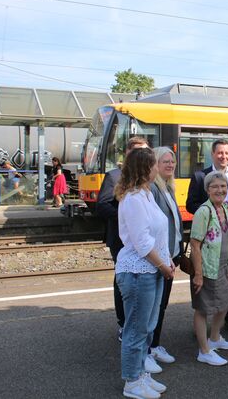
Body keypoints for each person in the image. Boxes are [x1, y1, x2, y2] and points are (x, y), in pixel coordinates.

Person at [114, 147, 173, 398]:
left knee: (147, 327)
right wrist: (163, 266)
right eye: (153, 165)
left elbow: (159, 234)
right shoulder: (134, 199)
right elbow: (142, 242)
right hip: (139, 272)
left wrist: (166, 263)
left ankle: (140, 374)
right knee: (136, 330)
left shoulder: (146, 194)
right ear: (144, 168)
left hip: (152, 271)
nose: (157, 168)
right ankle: (131, 382)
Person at [186, 139, 228, 335]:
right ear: (212, 154)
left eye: (227, 153)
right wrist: (211, 210)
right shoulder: (199, 177)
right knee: (205, 283)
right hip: (206, 241)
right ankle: (204, 328)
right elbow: (190, 204)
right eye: (220, 153)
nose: (224, 156)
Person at [96, 136, 149, 346]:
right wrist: (126, 217)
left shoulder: (146, 179)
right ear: (127, 153)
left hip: (142, 240)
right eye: (137, 151)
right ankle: (123, 323)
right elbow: (102, 206)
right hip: (121, 240)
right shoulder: (114, 176)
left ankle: (139, 324)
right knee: (123, 282)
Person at [189, 171, 228, 366]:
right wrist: (198, 274)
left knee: (225, 302)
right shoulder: (204, 211)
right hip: (207, 268)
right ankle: (204, 351)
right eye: (215, 187)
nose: (220, 190)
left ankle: (215, 338)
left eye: (223, 186)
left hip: (223, 266)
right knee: (203, 308)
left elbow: (227, 239)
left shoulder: (224, 208)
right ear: (207, 189)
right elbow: (194, 244)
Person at [147, 146, 183, 369]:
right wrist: (164, 258)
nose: (170, 165)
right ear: (155, 164)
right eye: (165, 161)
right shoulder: (152, 188)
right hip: (161, 259)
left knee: (161, 305)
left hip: (172, 255)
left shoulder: (168, 187)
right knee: (154, 306)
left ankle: (155, 345)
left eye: (172, 161)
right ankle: (148, 350)